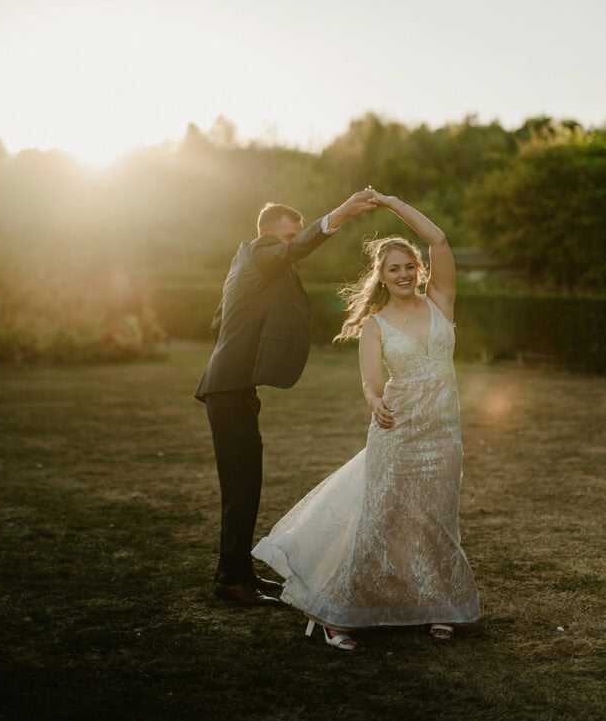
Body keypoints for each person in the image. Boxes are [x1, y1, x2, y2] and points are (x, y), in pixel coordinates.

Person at [252, 193, 480, 647]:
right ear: (382, 276)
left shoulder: (440, 302)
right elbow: (371, 382)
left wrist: (393, 203)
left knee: (436, 521)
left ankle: (437, 605)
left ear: (419, 268)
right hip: (398, 432)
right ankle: (340, 615)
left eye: (409, 266)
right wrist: (374, 401)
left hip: (443, 435)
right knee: (381, 523)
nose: (403, 274)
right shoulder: (375, 325)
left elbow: (438, 237)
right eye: (393, 269)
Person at [195, 189, 382, 607]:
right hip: (228, 392)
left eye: (295, 235)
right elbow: (293, 251)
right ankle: (230, 578)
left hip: (234, 389)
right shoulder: (257, 252)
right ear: (267, 234)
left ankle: (240, 572)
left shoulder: (250, 269)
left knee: (247, 486)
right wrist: (342, 214)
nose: (293, 243)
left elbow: (218, 322)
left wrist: (242, 361)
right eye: (288, 236)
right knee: (240, 489)